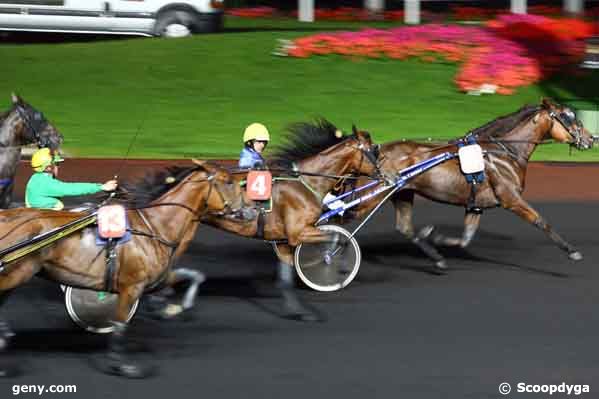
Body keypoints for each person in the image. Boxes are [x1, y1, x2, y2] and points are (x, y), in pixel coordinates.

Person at [25, 148, 117, 210]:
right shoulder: (46, 183)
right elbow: (72, 189)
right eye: (56, 164)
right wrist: (101, 187)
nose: (58, 167)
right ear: (48, 168)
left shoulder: (35, 178)